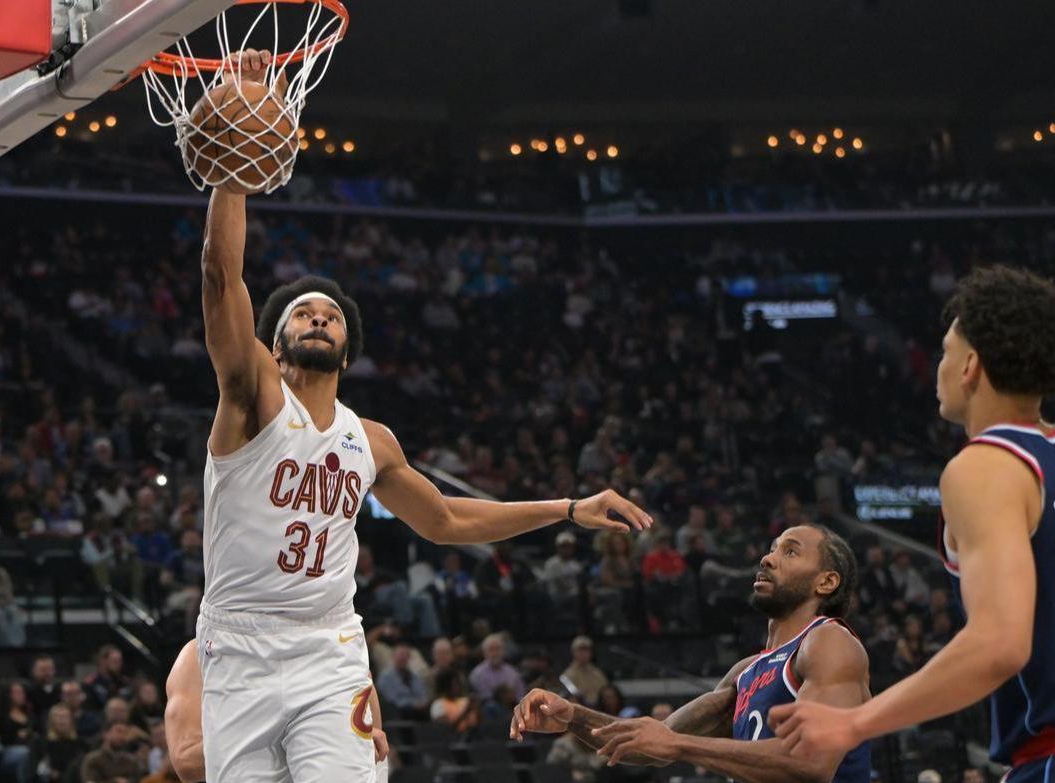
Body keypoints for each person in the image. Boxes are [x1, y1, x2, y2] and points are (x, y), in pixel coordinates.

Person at [194, 48, 652, 783]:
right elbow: (222, 276)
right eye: (302, 313)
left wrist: (568, 507)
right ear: (273, 345)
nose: (319, 317)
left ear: (348, 350)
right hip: (238, 647)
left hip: (328, 651)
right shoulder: (252, 396)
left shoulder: (370, 441)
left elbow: (447, 520)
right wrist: (235, 167)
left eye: (331, 315)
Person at [770, 266, 1055, 782]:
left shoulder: (988, 465)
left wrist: (855, 722)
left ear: (971, 365)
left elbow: (999, 644)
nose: (940, 367)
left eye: (947, 351)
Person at [513, 524, 872, 782]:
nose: (767, 558)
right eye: (773, 548)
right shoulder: (747, 672)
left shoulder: (829, 642)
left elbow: (811, 763)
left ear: (826, 581)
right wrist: (572, 716)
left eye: (790, 551)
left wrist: (681, 746)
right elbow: (648, 744)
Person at [162, 639, 388, 783]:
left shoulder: (338, 647)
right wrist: (293, 730)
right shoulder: (201, 653)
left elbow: (375, 745)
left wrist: (354, 744)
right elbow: (185, 761)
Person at [33, 704, 88, 783]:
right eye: (58, 717)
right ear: (51, 721)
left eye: (65, 717)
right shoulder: (41, 743)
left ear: (71, 720)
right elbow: (40, 769)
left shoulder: (81, 743)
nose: (62, 720)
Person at [79, 720, 146, 783]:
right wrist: (115, 781)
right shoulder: (93, 760)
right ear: (105, 734)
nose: (122, 736)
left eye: (125, 733)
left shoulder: (131, 761)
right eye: (118, 731)